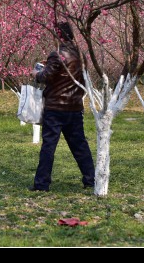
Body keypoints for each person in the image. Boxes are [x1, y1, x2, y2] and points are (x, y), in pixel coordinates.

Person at [29, 21, 95, 191]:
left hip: (55, 108)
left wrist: (36, 73)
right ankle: (91, 179)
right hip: (74, 107)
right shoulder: (81, 55)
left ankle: (41, 184)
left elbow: (46, 77)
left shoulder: (57, 54)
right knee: (80, 146)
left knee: (49, 147)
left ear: (58, 35)